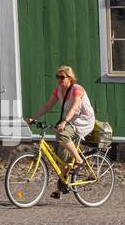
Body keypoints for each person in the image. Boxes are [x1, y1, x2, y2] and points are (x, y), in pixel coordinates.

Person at [27, 65, 96, 198]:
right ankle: (61, 188)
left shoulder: (77, 89)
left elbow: (75, 107)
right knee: (62, 158)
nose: (59, 80)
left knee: (63, 135)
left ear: (70, 78)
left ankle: (79, 160)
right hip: (71, 121)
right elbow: (47, 106)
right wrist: (32, 118)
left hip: (84, 121)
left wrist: (64, 121)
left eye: (62, 77)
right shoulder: (58, 91)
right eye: (57, 77)